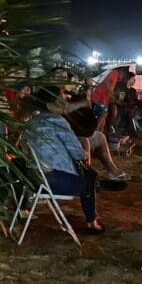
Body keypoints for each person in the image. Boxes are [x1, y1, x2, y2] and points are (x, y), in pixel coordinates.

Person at [23, 91, 106, 234]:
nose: (64, 104)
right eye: (61, 100)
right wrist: (85, 151)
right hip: (55, 182)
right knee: (89, 177)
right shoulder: (58, 121)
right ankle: (92, 222)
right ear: (51, 104)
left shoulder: (31, 122)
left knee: (87, 176)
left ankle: (22, 209)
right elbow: (77, 153)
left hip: (33, 181)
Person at [63, 93, 129, 182]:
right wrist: (68, 107)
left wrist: (72, 106)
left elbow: (86, 103)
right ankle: (86, 176)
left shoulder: (65, 96)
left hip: (73, 132)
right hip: (62, 136)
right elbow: (58, 110)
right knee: (84, 140)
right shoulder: (50, 97)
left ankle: (112, 171)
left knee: (99, 136)